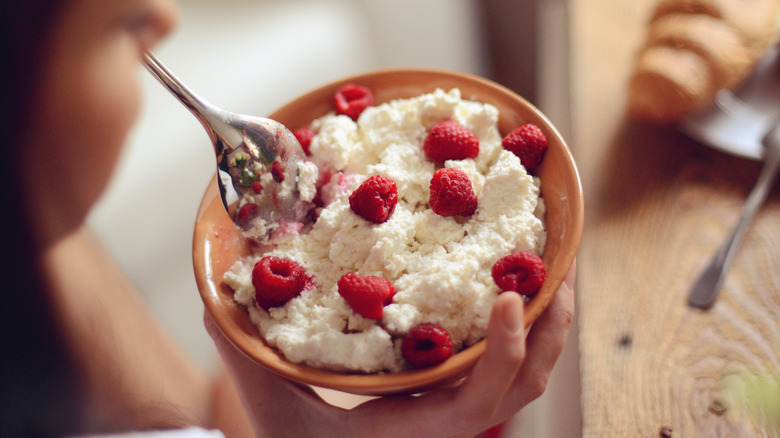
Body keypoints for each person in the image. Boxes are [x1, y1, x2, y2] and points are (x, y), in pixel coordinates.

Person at [0, 0, 576, 437]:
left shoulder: (41, 246)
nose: (165, 17)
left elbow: (203, 418)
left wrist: (284, 417)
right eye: (120, 27)